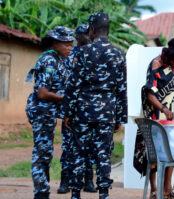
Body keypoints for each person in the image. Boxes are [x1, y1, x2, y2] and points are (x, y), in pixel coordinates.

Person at [62, 12, 127, 199]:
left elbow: (73, 85)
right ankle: (104, 194)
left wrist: (68, 113)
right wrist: (120, 117)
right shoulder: (118, 55)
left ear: (91, 30)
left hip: (83, 111)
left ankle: (75, 194)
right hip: (107, 113)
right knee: (103, 155)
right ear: (107, 30)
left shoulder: (82, 52)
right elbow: (122, 89)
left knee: (78, 153)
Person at [134, 37, 174, 199]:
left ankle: (167, 189)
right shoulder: (156, 64)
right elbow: (150, 94)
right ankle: (153, 190)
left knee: (170, 149)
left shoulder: (173, 65)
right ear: (170, 52)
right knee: (153, 151)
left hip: (168, 112)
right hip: (154, 112)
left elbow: (173, 84)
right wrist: (163, 109)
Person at [25, 26, 74, 199]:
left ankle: (42, 190)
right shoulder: (48, 60)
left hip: (49, 112)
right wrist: (66, 97)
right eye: (66, 44)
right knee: (42, 152)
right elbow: (43, 93)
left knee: (46, 152)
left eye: (71, 44)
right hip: (41, 111)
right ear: (55, 43)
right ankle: (41, 192)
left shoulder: (59, 59)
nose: (69, 47)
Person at [57, 24, 97, 194]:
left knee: (89, 147)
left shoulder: (95, 55)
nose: (88, 37)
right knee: (68, 147)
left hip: (88, 110)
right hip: (72, 109)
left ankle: (88, 182)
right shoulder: (69, 56)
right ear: (78, 36)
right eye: (85, 34)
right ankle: (65, 182)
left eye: (90, 34)